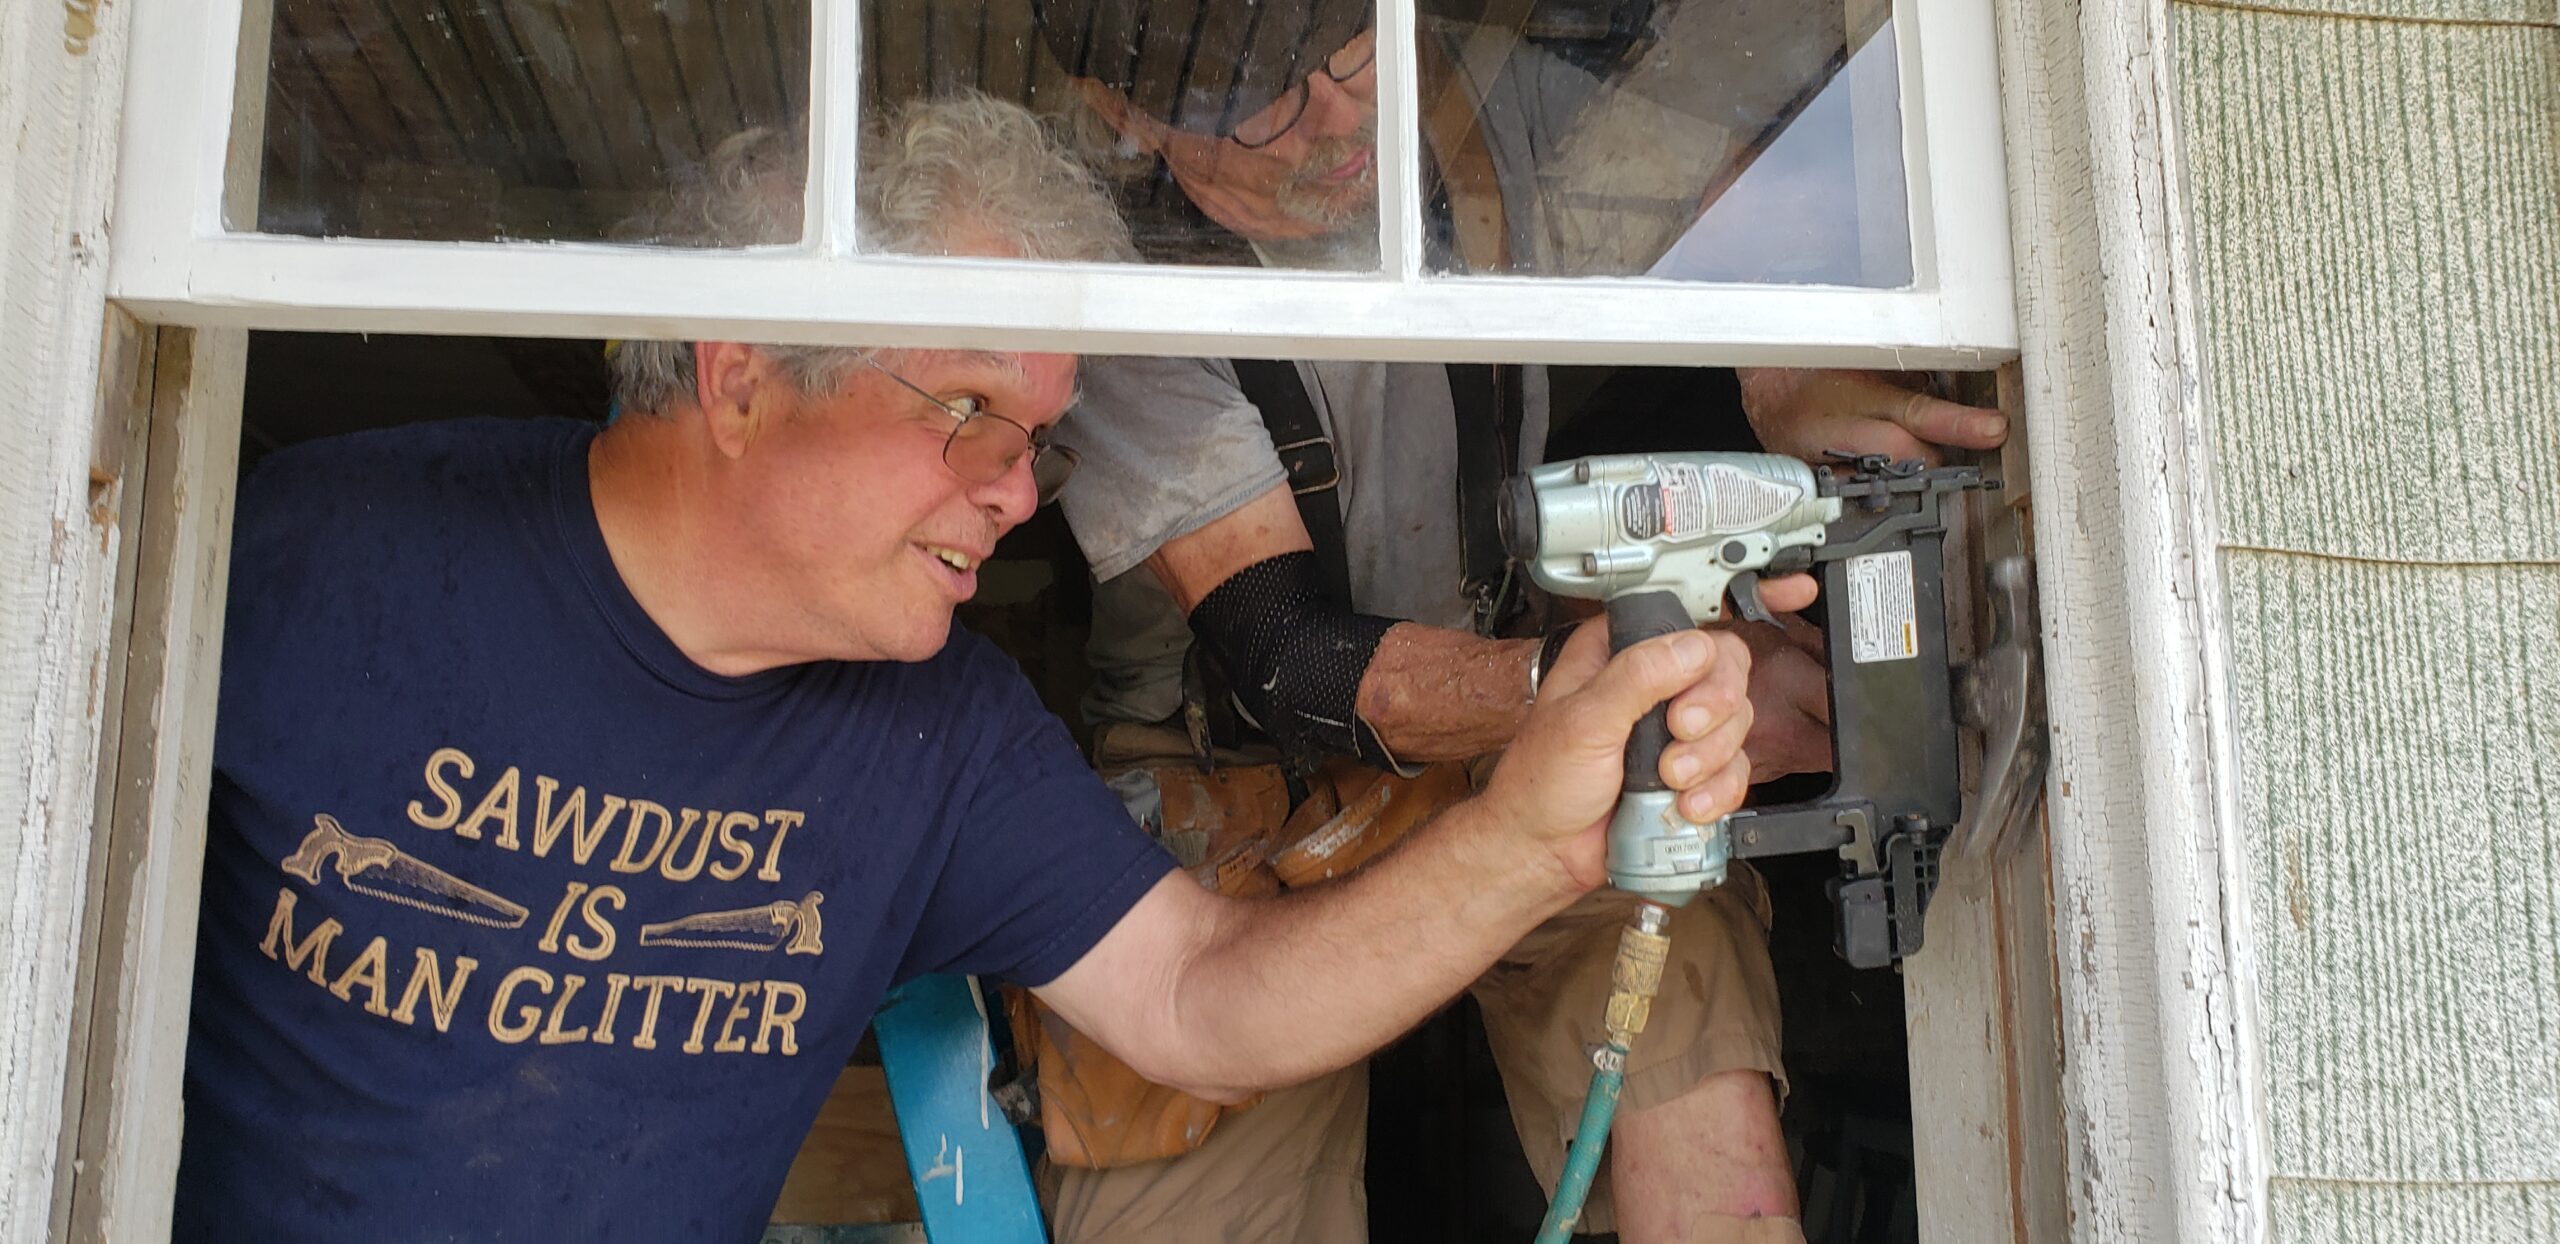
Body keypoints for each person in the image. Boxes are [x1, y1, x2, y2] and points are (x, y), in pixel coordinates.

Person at [171, 93, 1785, 1241]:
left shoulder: (932, 725)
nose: (1022, 492)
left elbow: (1197, 997)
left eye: (1038, 434)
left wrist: (1528, 833)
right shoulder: (311, 559)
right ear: (741, 378)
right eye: (966, 413)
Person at [1024, 2, 2010, 1240]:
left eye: (1346, 52)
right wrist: (1621, 697)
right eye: (1262, 100)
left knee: (1704, 1130)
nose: (1338, 114)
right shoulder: (1111, 284)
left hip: (1514, 714)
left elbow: (1756, 134)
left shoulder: (1462, 105)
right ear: (1124, 113)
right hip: (1233, 804)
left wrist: (1788, 367)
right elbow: (1286, 654)